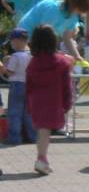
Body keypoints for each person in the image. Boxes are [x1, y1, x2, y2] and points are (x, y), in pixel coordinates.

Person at [25, 24, 74, 176]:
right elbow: (67, 86)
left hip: (36, 101)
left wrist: (28, 104)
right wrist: (67, 103)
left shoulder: (32, 63)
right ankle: (41, 159)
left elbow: (29, 86)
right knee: (45, 131)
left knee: (42, 130)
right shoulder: (62, 62)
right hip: (53, 101)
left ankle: (43, 159)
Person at [19, 0, 89, 64]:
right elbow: (42, 35)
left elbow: (67, 38)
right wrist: (55, 52)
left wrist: (77, 56)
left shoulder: (73, 16)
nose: (81, 13)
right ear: (75, 4)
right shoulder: (53, 9)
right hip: (25, 35)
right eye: (81, 10)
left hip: (39, 38)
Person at [3, 28, 35, 145]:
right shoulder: (31, 55)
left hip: (17, 85)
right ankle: (32, 136)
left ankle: (14, 138)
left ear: (17, 41)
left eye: (11, 42)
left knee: (14, 113)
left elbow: (10, 72)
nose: (11, 44)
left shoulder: (15, 56)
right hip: (29, 85)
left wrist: (5, 66)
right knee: (28, 113)